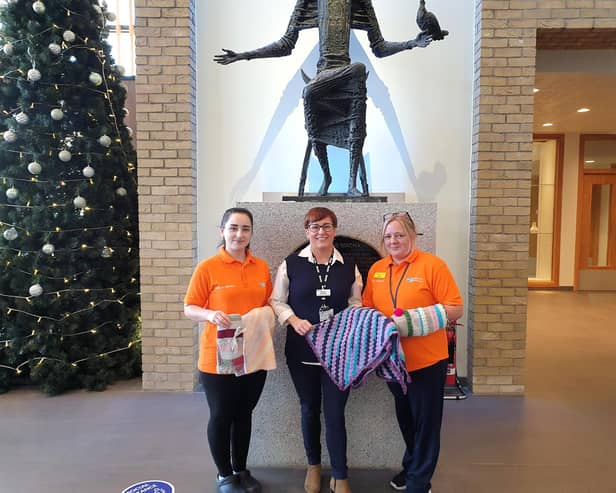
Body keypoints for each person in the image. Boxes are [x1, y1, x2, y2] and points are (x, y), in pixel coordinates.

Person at [362, 211, 463, 493]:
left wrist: (410, 322)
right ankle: (412, 466)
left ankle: (419, 481)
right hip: (393, 362)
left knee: (426, 422)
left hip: (427, 361)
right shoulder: (377, 269)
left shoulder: (433, 266)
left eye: (399, 235)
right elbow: (368, 307)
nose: (393, 240)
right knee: (406, 418)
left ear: (412, 235)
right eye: (388, 236)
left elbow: (455, 308)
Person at [270, 207, 363, 493]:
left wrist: (347, 324)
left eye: (326, 226)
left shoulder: (349, 266)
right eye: (314, 227)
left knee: (335, 413)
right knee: (309, 409)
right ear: (306, 231)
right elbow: (276, 301)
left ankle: (339, 473)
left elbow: (356, 303)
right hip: (302, 353)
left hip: (338, 354)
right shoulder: (290, 264)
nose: (320, 232)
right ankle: (313, 465)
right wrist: (293, 320)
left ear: (334, 229)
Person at [184, 207, 273, 493]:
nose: (239, 234)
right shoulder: (208, 267)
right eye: (233, 228)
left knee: (244, 413)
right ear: (222, 231)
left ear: (251, 233)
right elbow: (190, 308)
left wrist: (263, 317)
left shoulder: (260, 267)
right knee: (222, 415)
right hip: (218, 356)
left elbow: (270, 303)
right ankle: (224, 475)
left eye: (245, 229)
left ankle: (240, 469)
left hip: (253, 353)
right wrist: (209, 315)